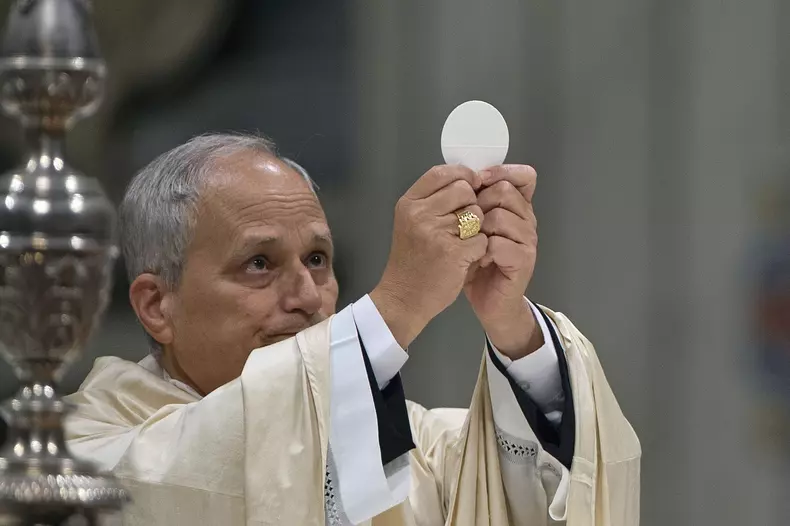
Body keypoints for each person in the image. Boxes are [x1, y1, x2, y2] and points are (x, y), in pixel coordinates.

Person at [65, 133, 640, 525]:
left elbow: (537, 496)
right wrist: (401, 302)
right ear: (156, 305)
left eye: (317, 260)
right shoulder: (78, 454)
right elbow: (188, 472)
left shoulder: (412, 449)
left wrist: (511, 324)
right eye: (259, 264)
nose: (308, 298)